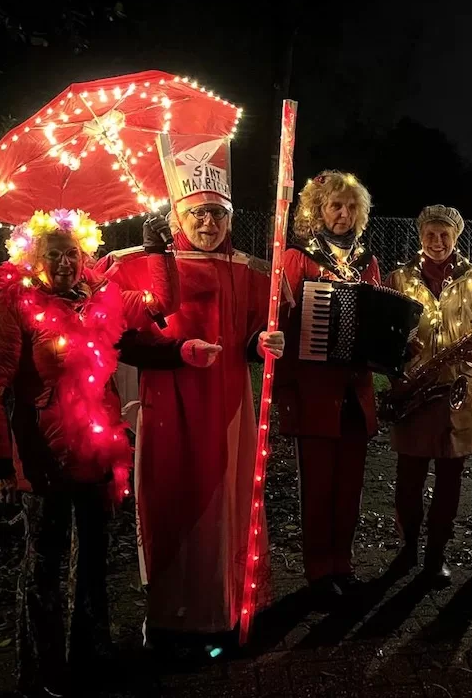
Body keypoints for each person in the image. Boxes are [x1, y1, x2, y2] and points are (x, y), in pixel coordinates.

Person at [0, 209, 217, 697]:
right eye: (52, 255)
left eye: (72, 254)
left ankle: (91, 652)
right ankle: (43, 668)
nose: (64, 264)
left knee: (95, 557)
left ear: (85, 255)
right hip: (44, 455)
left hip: (99, 449)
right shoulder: (11, 303)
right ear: (32, 258)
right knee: (44, 562)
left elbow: (159, 305)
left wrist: (156, 250)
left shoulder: (101, 297)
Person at [96, 134, 285, 651]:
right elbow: (117, 336)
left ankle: (226, 609)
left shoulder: (246, 268)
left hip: (229, 406)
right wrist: (176, 352)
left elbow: (251, 336)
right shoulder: (136, 262)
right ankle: (172, 619)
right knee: (172, 499)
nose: (208, 224)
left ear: (230, 217)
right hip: (169, 404)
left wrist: (261, 341)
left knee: (229, 500)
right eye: (197, 214)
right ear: (179, 215)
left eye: (217, 214)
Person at [274, 170, 381, 605]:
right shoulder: (298, 258)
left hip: (355, 391)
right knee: (317, 487)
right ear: (318, 210)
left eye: (351, 206)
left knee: (350, 485)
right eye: (336, 205)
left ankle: (343, 563)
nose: (343, 213)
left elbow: (377, 319)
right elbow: (281, 320)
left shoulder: (367, 261)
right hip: (315, 392)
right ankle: (318, 570)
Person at [384, 205, 472, 586]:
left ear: (456, 236)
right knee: (409, 476)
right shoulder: (398, 279)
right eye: (430, 234)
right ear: (421, 237)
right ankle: (408, 547)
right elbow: (384, 329)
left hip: (458, 391)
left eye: (444, 235)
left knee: (451, 479)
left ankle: (436, 554)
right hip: (413, 391)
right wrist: (403, 349)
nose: (438, 242)